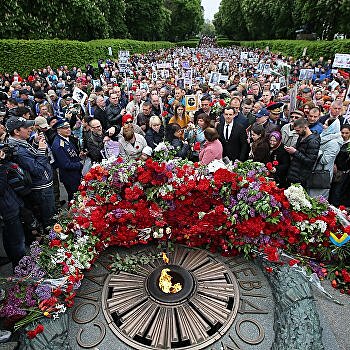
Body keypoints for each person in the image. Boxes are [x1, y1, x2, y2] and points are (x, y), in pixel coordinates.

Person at [7, 117, 56, 230]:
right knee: (50, 219)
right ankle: (54, 241)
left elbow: (31, 159)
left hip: (42, 184)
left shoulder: (21, 143)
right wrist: (41, 150)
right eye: (25, 127)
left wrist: (35, 143)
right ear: (16, 132)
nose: (30, 129)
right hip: (41, 188)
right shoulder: (18, 150)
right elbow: (37, 170)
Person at [0, 146, 25, 268]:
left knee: (9, 236)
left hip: (10, 204)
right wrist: (2, 167)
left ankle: (16, 262)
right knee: (17, 241)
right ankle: (21, 267)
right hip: (6, 209)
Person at [308, 119, 343, 199]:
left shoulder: (334, 143)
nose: (323, 126)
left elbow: (325, 160)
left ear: (331, 127)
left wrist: (315, 150)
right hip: (315, 171)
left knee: (318, 199)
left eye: (326, 124)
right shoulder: (324, 137)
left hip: (323, 174)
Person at [51, 119, 83, 202]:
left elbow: (72, 154)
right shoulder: (58, 145)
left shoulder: (66, 139)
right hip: (70, 176)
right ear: (58, 130)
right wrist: (80, 164)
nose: (68, 129)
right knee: (74, 199)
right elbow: (66, 165)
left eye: (69, 127)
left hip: (75, 174)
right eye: (65, 128)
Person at [286, 118, 320, 189]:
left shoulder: (313, 142)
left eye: (298, 130)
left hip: (301, 176)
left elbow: (310, 161)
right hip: (294, 172)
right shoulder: (301, 136)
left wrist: (295, 152)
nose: (297, 132)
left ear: (305, 128)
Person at [329, 124, 350, 206]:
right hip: (337, 171)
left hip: (346, 172)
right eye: (342, 133)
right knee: (334, 191)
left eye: (347, 133)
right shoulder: (337, 141)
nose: (344, 135)